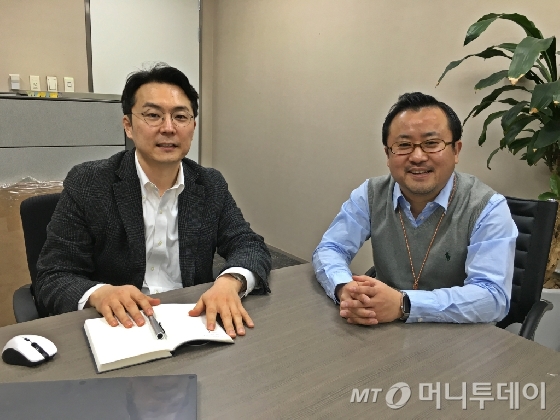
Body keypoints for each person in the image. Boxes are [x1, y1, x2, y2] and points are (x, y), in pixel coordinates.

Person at [35, 63, 271, 338]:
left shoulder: (209, 184)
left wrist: (230, 281)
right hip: (119, 326)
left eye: (180, 117)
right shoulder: (89, 183)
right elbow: (53, 275)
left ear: (193, 127)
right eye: (153, 116)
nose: (168, 128)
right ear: (128, 126)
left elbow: (248, 244)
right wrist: (99, 293)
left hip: (194, 322)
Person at [313, 92, 517, 325]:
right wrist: (344, 288)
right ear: (388, 154)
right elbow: (330, 248)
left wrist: (404, 304)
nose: (418, 156)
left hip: (458, 335)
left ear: (456, 150)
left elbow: (492, 297)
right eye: (404, 145)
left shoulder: (487, 208)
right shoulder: (370, 194)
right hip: (384, 328)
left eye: (431, 144)